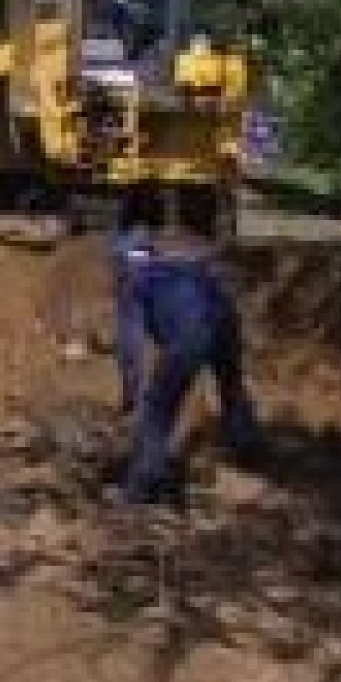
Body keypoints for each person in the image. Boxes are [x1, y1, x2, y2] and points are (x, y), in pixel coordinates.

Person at [110, 189, 262, 505]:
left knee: (157, 408)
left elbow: (130, 343)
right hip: (222, 317)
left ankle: (141, 486)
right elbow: (213, 281)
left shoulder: (134, 280)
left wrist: (130, 389)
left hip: (192, 330)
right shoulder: (175, 258)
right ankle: (248, 448)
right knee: (231, 387)